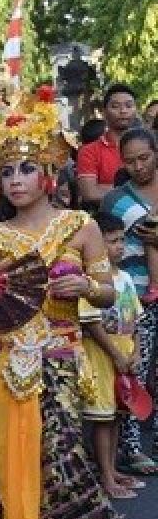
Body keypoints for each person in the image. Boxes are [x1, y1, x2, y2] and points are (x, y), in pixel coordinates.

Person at [0, 86, 135, 519]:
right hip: (7, 364)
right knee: (17, 469)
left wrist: (87, 284)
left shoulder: (79, 226)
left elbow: (107, 294)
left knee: (65, 463)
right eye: (7, 171)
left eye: (25, 169)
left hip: (61, 357)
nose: (16, 179)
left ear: (48, 174)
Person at [103, 128, 158, 474]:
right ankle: (132, 446)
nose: (138, 166)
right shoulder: (116, 200)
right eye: (130, 160)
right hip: (134, 295)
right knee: (133, 368)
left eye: (145, 157)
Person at [79, 214, 143, 499]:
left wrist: (136, 352)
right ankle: (105, 476)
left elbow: (136, 318)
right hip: (102, 354)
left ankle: (113, 468)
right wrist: (115, 354)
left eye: (122, 240)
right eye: (113, 241)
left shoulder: (126, 277)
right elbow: (91, 323)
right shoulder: (91, 280)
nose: (120, 247)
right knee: (102, 417)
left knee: (117, 414)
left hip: (125, 353)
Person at [77, 83, 138, 207]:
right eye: (115, 106)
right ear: (104, 112)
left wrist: (106, 188)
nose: (123, 111)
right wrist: (141, 188)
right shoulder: (89, 151)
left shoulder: (150, 146)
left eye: (129, 105)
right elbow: (90, 193)